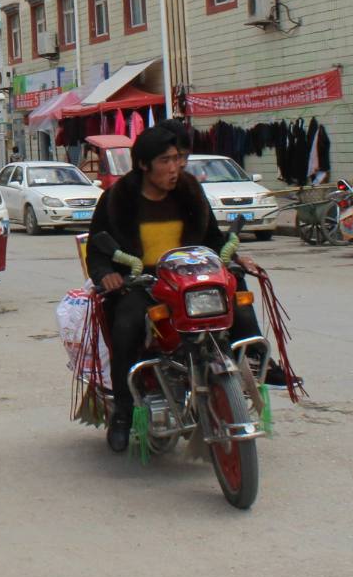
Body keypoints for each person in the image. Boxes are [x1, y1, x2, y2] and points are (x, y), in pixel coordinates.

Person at [85, 124, 282, 455]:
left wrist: (234, 255)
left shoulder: (190, 191)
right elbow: (97, 251)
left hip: (188, 280)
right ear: (144, 164)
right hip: (144, 283)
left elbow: (213, 238)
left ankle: (257, 358)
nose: (175, 167)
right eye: (166, 160)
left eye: (179, 159)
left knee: (236, 291)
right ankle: (122, 412)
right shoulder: (117, 199)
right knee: (126, 326)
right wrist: (107, 275)